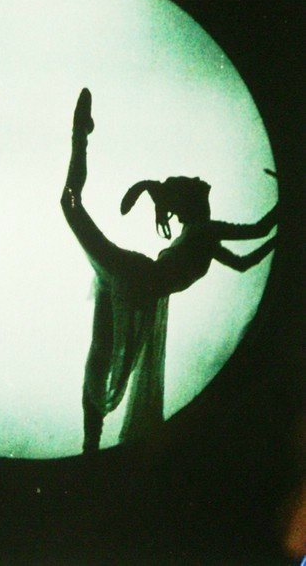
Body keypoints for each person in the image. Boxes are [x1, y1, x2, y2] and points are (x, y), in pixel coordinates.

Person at [61, 88, 278, 453]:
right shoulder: (202, 233)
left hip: (131, 281)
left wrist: (284, 224)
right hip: (133, 280)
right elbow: (257, 237)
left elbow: (247, 256)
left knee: (99, 356)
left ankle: (91, 446)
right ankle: (80, 134)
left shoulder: (202, 235)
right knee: (99, 357)